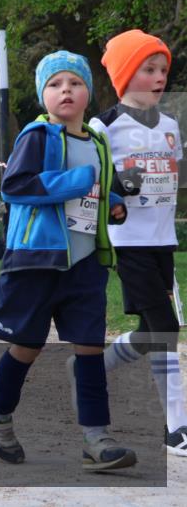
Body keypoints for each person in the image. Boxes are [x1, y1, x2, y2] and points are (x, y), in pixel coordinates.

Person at [0, 51, 136, 471]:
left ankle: (96, 438)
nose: (65, 90)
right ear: (42, 96)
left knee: (89, 347)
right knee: (27, 346)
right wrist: (79, 181)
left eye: (74, 83)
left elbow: (95, 192)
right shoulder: (37, 135)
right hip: (38, 259)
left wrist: (113, 203)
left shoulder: (98, 142)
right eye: (54, 84)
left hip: (85, 263)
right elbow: (16, 186)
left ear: (89, 93)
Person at [89, 29, 187, 456]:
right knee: (166, 330)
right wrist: (115, 189)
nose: (159, 76)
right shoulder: (104, 125)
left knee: (154, 330)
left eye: (163, 69)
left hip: (164, 240)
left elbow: (177, 176)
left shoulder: (170, 125)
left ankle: (89, 369)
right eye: (149, 68)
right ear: (126, 74)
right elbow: (89, 180)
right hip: (128, 242)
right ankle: (177, 427)